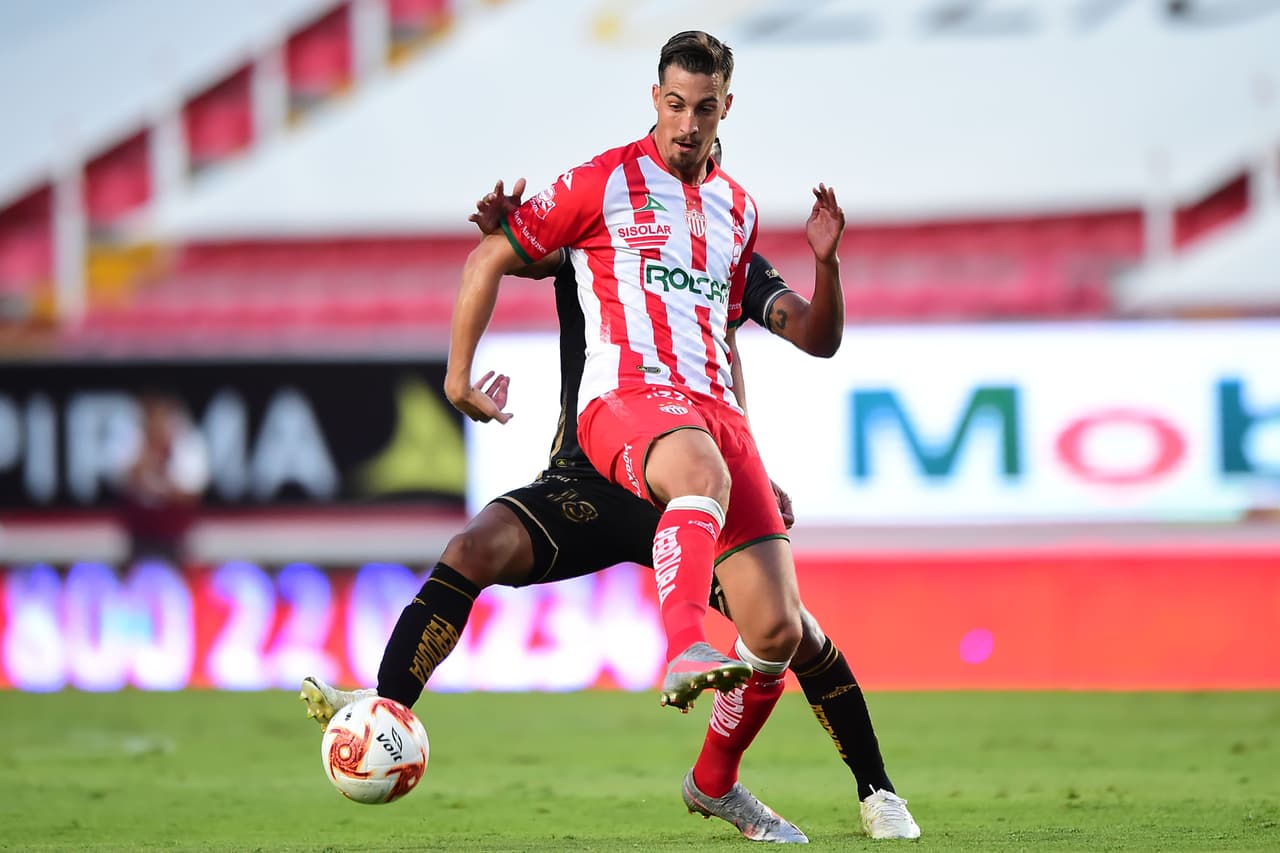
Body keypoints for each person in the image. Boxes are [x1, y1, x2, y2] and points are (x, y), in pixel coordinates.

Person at [301, 147, 921, 839]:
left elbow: (746, 350)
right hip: (590, 475)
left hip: (681, 483)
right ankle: (384, 706)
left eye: (705, 125)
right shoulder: (605, 222)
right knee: (472, 548)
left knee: (788, 629)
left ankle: (874, 789)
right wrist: (506, 234)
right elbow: (523, 254)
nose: (690, 150)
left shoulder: (725, 246)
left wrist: (753, 460)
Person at [113, 392, 209, 565]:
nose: (157, 424)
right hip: (139, 534)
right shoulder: (131, 439)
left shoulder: (188, 444)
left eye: (162, 418)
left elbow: (190, 495)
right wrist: (150, 453)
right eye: (153, 418)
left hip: (176, 536)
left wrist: (163, 484)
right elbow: (124, 479)